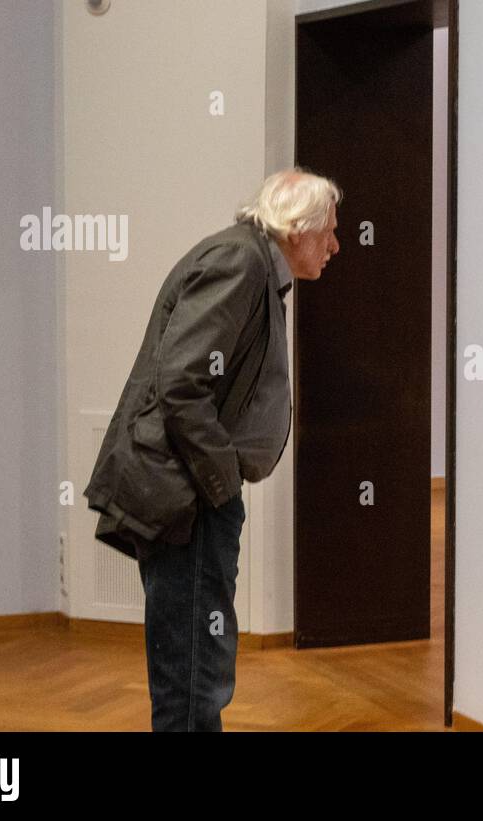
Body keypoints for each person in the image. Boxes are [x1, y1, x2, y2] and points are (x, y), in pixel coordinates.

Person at [82, 168, 341, 731]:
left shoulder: (253, 265)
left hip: (195, 494)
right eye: (328, 232)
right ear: (297, 228)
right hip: (190, 499)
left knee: (197, 664)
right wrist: (222, 483)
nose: (336, 245)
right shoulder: (240, 263)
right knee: (195, 672)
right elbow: (180, 382)